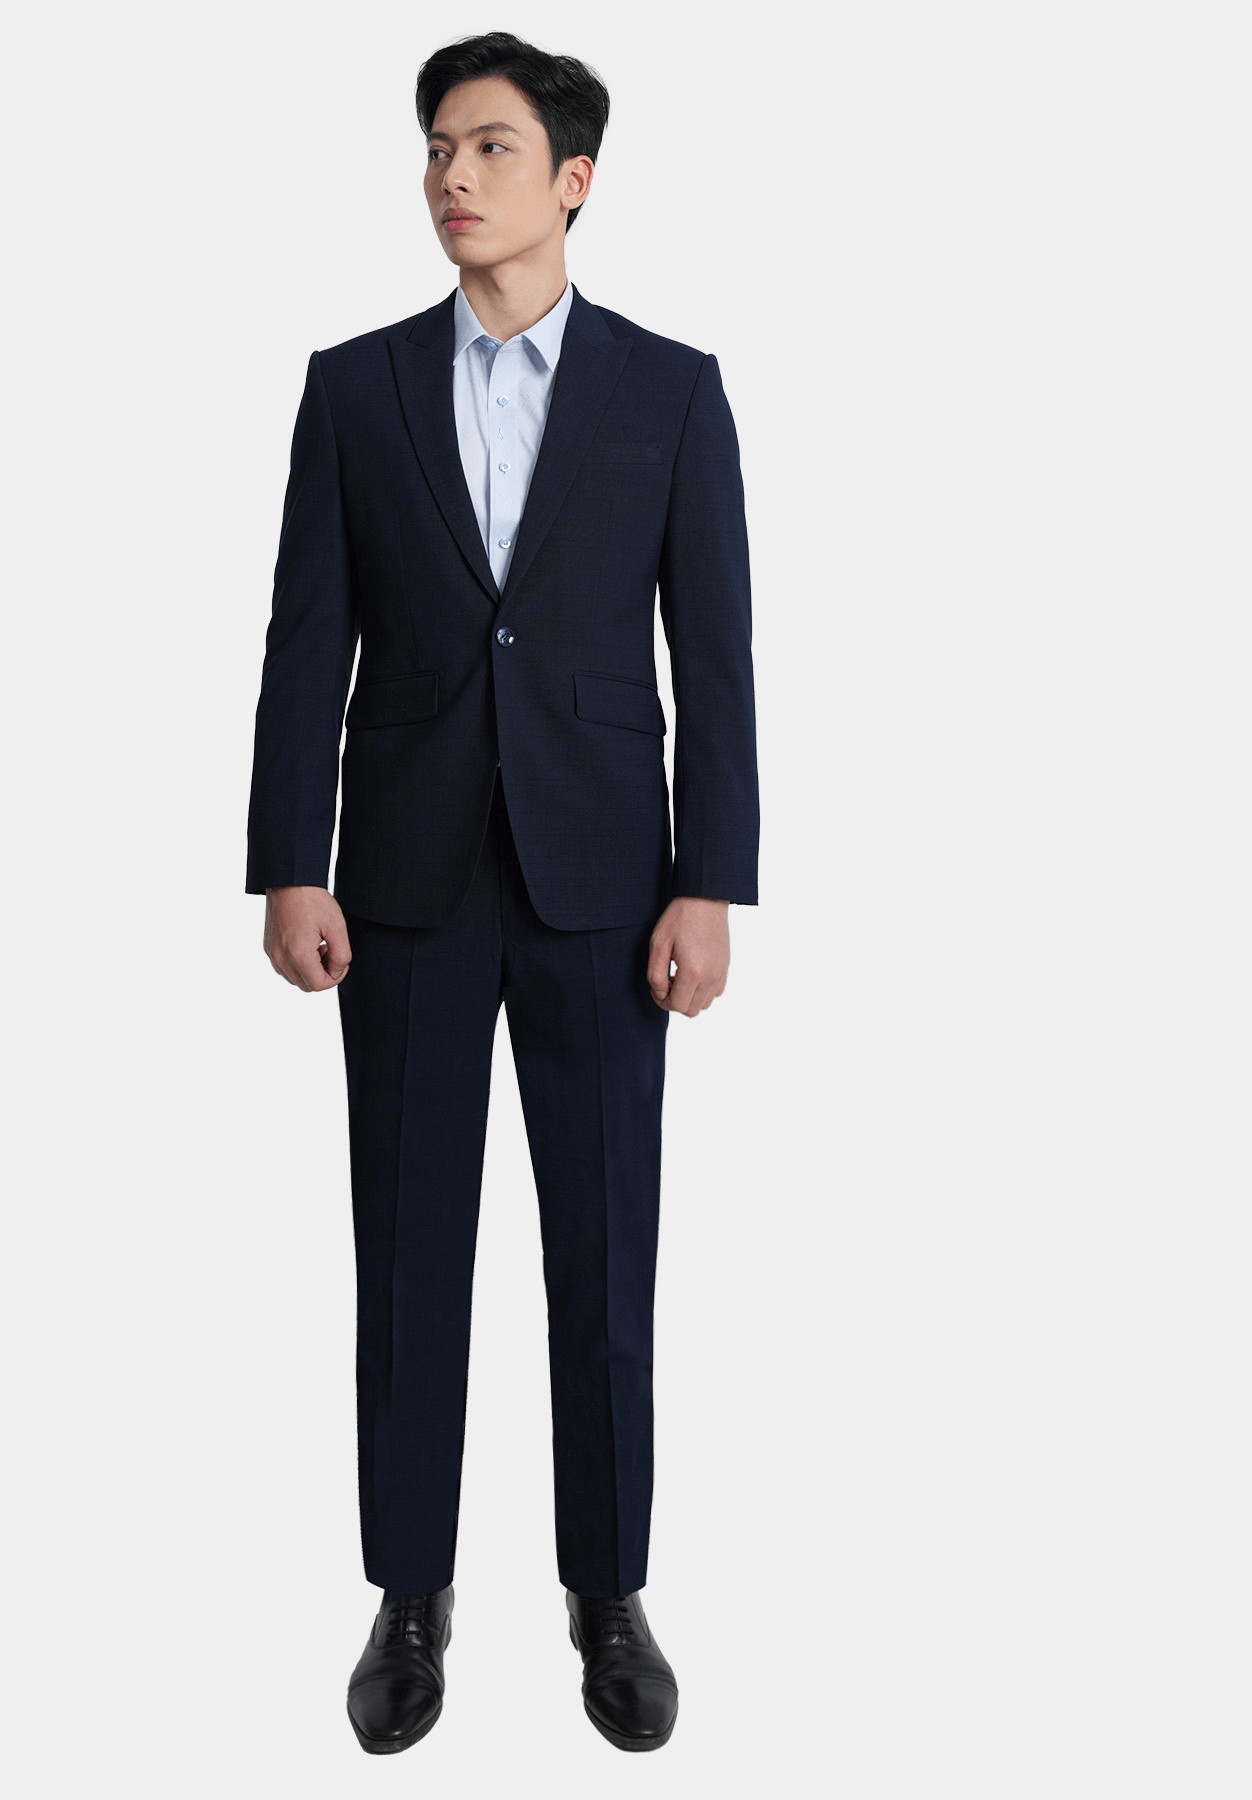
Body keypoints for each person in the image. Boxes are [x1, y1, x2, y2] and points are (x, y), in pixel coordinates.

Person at [245, 30, 759, 1755]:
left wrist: (712, 882)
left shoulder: (670, 392)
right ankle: (411, 1595)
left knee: (605, 1257)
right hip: (400, 886)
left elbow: (717, 657)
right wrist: (289, 860)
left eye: (487, 148)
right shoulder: (354, 387)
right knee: (408, 1255)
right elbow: (304, 644)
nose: (450, 177)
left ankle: (608, 1595)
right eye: (436, 150)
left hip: (608, 888)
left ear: (573, 181)